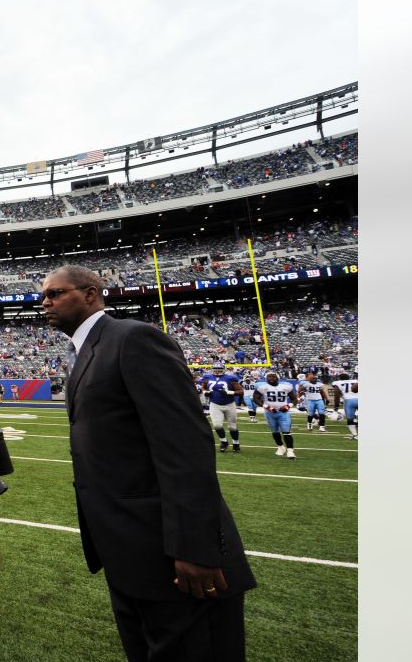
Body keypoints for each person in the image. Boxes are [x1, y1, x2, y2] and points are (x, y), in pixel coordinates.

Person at [40, 265, 255, 662]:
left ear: (90, 294)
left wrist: (196, 549)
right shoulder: (85, 352)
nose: (45, 302)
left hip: (173, 557)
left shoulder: (133, 338)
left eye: (55, 293)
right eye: (44, 295)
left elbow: (185, 446)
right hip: (128, 554)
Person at [254, 371, 299, 458]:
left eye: (273, 376)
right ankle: (281, 447)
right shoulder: (262, 387)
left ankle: (290, 451)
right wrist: (266, 406)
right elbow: (256, 398)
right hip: (270, 413)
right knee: (275, 432)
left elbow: (294, 399)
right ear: (266, 378)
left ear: (277, 377)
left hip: (283, 413)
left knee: (286, 432)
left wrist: (289, 406)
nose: (271, 378)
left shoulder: (286, 386)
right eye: (269, 376)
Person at [201, 363, 244, 453]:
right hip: (215, 404)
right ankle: (224, 442)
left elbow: (240, 391)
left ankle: (236, 444)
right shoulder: (207, 377)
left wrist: (229, 392)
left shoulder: (230, 378)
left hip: (229, 404)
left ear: (223, 369)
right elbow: (203, 387)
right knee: (217, 425)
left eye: (219, 369)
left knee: (232, 427)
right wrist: (205, 392)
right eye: (215, 369)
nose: (217, 371)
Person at [332, 373, 358, 440]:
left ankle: (355, 435)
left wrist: (336, 406)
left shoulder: (337, 383)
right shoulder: (355, 381)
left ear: (339, 378)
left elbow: (336, 395)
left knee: (350, 419)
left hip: (349, 401)